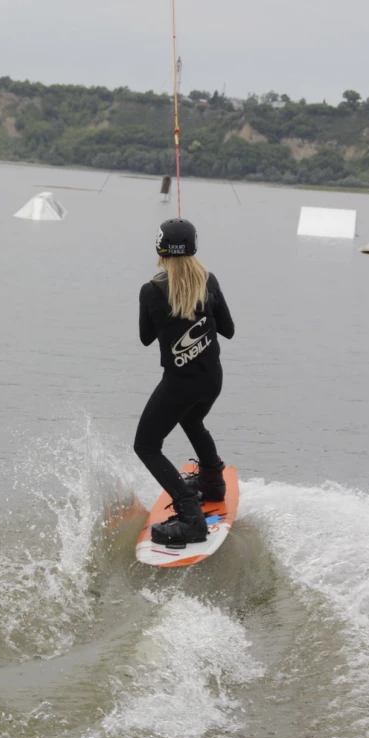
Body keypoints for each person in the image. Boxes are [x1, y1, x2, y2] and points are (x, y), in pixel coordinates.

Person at [133, 218, 235, 548]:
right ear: (194, 248)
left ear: (160, 250)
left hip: (180, 384)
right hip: (212, 379)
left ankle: (191, 517)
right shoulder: (210, 281)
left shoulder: (151, 290)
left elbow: (146, 338)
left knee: (146, 446)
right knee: (192, 419)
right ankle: (213, 483)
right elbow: (229, 329)